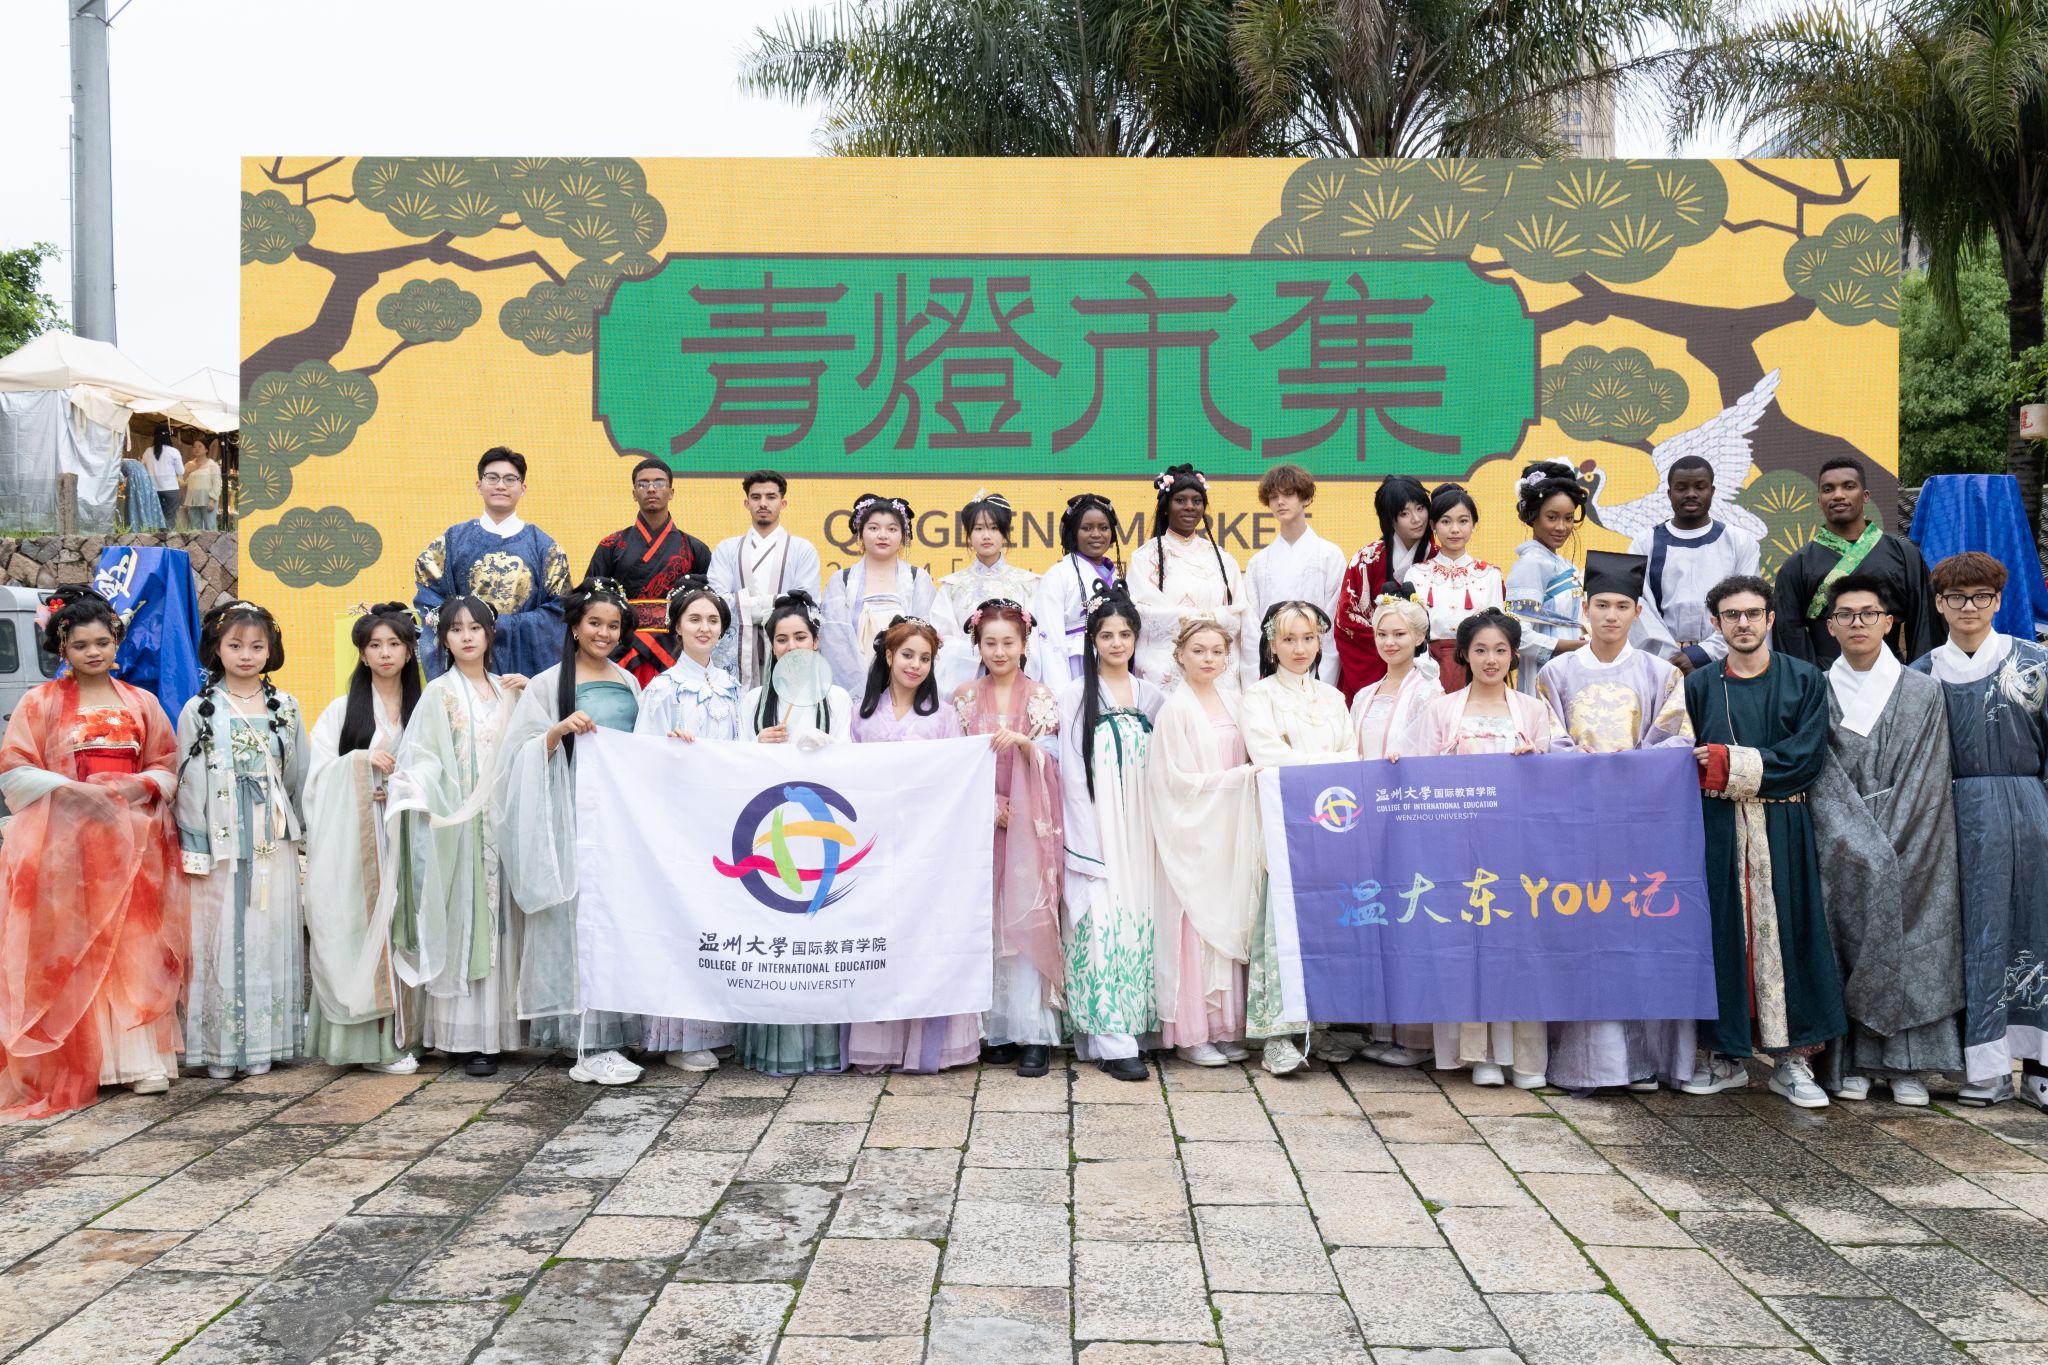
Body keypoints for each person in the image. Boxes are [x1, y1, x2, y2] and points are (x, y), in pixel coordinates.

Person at [0, 592, 183, 1116]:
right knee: (74, 945)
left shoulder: (142, 702)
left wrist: (136, 787)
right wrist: (72, 790)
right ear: (63, 647)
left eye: (102, 641)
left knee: (134, 942)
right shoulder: (38, 703)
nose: (94, 652)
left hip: (134, 838)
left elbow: (166, 763)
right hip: (65, 840)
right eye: (81, 645)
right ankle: (87, 1063)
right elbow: (15, 769)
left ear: (117, 642)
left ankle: (141, 1060)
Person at [1678, 575, 1846, 1109]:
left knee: (1792, 933)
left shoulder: (1805, 679)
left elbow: (1805, 759)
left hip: (1784, 824)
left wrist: (1725, 761)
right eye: (1731, 615)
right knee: (1723, 935)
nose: (1743, 623)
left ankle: (1793, 1061)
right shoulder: (1699, 686)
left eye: (1753, 613)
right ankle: (1724, 1055)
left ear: (1771, 618)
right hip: (1719, 828)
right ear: (1716, 623)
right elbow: (1680, 753)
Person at [1535, 552, 1696, 1093]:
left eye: (1621, 606)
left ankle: (1646, 1060)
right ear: (1584, 608)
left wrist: (1633, 767)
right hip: (1575, 823)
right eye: (1601, 604)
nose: (1610, 615)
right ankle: (1583, 1064)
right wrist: (1575, 764)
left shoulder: (1661, 673)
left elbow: (1677, 740)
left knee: (1639, 933)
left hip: (1640, 823)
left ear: (1636, 612)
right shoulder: (1555, 674)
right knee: (1582, 932)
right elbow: (1547, 738)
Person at [1808, 573, 1963, 1106]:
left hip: (1913, 838)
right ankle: (1849, 1063)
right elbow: (1818, 773)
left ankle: (1907, 1066)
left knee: (1914, 937)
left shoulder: (1924, 691)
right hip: (1838, 841)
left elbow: (1929, 775)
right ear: (1831, 626)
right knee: (1842, 939)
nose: (1858, 623)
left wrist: (1891, 843)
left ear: (1889, 622)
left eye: (1869, 613)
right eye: (1846, 614)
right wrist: (1857, 840)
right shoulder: (1814, 689)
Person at [497, 581, 650, 1086]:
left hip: (618, 819)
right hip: (571, 814)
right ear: (575, 626)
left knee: (614, 919)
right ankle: (586, 1040)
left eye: (613, 625)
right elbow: (516, 755)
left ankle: (613, 1031)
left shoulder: (629, 682)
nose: (604, 633)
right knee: (577, 920)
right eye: (594, 623)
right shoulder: (548, 684)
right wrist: (557, 731)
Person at [1396, 609, 1556, 1086]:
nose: (1491, 659)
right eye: (1481, 650)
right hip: (1459, 847)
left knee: (1519, 946)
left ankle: (1525, 1057)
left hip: (1519, 847)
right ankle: (1480, 1054)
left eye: (1500, 650)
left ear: (1513, 655)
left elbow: (1556, 780)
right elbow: (1417, 774)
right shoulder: (1443, 711)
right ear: (1463, 654)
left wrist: (1538, 760)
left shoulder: (1533, 710)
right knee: (1469, 947)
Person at [1914, 553, 2048, 1109]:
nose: (1969, 607)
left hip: (2030, 807)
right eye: (1956, 597)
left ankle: (2040, 1068)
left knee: (2037, 927)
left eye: (1981, 597)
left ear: (1998, 601)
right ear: (1939, 603)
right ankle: (1985, 1068)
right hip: (1952, 814)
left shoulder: (2034, 662)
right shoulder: (1922, 673)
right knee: (1973, 935)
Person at [386, 596, 527, 1078]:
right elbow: (424, 754)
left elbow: (528, 748)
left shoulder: (508, 690)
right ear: (443, 638)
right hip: (459, 823)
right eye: (456, 629)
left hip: (501, 822)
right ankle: (464, 1037)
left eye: (475, 628)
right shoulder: (439, 693)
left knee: (500, 920)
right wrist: (417, 785)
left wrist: (531, 697)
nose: (467, 637)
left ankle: (498, 1032)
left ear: (490, 634)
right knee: (463, 915)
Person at [175, 602, 308, 1079]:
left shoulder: (286, 707)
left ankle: (266, 1043)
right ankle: (221, 1047)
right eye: (235, 645)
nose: (246, 655)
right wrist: (196, 842)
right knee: (221, 932)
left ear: (271, 650)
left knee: (267, 931)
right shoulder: (199, 709)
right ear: (216, 649)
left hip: (271, 834)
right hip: (221, 838)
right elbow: (188, 782)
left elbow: (297, 774)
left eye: (256, 646)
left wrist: (297, 827)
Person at [848, 617, 979, 1072]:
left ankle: (929, 1043)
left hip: (927, 841)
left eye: (925, 658)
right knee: (879, 932)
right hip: (874, 839)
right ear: (888, 655)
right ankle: (879, 1044)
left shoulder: (943, 717)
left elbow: (958, 778)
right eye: (907, 655)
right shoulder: (860, 713)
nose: (915, 665)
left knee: (922, 935)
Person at [304, 603, 424, 1074]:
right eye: (375, 645)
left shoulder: (423, 708)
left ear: (410, 650)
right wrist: (360, 764)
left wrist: (403, 786)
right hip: (356, 839)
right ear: (362, 653)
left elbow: (441, 767)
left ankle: (408, 1036)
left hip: (409, 834)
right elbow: (316, 778)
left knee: (406, 928)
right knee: (358, 928)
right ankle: (370, 1046)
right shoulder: (342, 711)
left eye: (394, 643)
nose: (385, 653)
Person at [1240, 601, 1360, 1074]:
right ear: (1272, 645)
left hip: (1332, 825)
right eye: (1288, 639)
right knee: (1281, 926)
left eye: (1308, 638)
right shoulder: (1258, 696)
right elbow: (1268, 756)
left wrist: (1308, 761)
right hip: (1284, 824)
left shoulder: (1333, 697)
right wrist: (1322, 764)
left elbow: (1352, 755)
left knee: (1326, 923)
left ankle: (1321, 1025)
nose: (1299, 648)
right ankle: (1277, 1034)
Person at [736, 590, 851, 1076]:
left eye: (800, 637)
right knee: (774, 930)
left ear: (816, 641)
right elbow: (731, 768)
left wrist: (828, 749)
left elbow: (851, 765)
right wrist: (756, 746)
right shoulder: (753, 702)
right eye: (781, 640)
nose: (790, 646)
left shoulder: (837, 699)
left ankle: (823, 1044)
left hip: (819, 827)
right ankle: (774, 1045)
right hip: (770, 829)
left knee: (818, 928)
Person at [633, 579, 744, 1071]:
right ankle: (679, 1037)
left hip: (722, 819)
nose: (704, 628)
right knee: (682, 921)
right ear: (676, 626)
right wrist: (668, 751)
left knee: (719, 920)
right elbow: (642, 757)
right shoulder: (662, 688)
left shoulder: (733, 687)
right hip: (678, 821)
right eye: (695, 618)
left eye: (713, 620)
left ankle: (717, 1028)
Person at [951, 600, 1065, 1077]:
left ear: (1024, 645)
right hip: (980, 824)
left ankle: (1034, 1031)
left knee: (1027, 915)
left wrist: (1026, 745)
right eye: (990, 643)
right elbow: (954, 765)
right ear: (977, 645)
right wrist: (988, 804)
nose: (999, 652)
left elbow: (1056, 761)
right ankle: (995, 1030)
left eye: (1008, 643)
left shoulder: (1041, 698)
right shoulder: (963, 698)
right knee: (987, 920)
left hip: (1028, 820)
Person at [1058, 588, 1166, 1081]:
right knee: (1101, 926)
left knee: (1139, 923)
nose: (1117, 643)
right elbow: (1071, 775)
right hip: (1098, 829)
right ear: (1093, 640)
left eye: (1125, 634)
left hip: (1142, 831)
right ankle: (1110, 1038)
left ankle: (1139, 1028)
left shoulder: (1153, 697)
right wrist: (1085, 841)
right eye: (1107, 635)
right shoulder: (1076, 696)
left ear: (1137, 638)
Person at [1151, 617, 1259, 1069]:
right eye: (1198, 650)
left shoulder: (1235, 700)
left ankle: (1226, 1028)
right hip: (1194, 830)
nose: (1208, 659)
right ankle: (1192, 1032)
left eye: (1217, 651)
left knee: (1229, 916)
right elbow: (1171, 781)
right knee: (1195, 923)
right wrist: (1236, 779)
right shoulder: (1174, 709)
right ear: (1180, 655)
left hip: (1230, 826)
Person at [1347, 587, 1442, 1069]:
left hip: (1406, 814)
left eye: (1400, 634)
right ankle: (1383, 1030)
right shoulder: (1364, 694)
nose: (1389, 642)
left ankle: (1416, 1038)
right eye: (1382, 633)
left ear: (1419, 637)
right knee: (1377, 916)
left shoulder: (1430, 691)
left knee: (1409, 915)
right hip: (1367, 814)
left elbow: (1431, 750)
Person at [415, 447, 572, 679]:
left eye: (510, 479)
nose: (500, 485)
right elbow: (430, 596)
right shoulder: (452, 541)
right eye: (492, 478)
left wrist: (501, 624)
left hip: (523, 670)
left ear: (523, 488)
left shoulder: (546, 548)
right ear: (479, 485)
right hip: (465, 665)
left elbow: (560, 610)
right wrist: (466, 626)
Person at [1773, 455, 1942, 667]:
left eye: (1849, 486)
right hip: (1825, 677)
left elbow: (1925, 624)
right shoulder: (1796, 566)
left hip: (1891, 676)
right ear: (1819, 500)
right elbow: (1788, 633)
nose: (1838, 495)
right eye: (1828, 489)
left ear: (1865, 496)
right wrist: (1812, 681)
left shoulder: (1905, 555)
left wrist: (1915, 678)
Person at [1627, 455, 1760, 673]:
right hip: (1662, 665)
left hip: (1726, 661)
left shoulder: (1740, 542)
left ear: (1712, 491)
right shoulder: (1644, 544)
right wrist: (1671, 658)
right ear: (1669, 493)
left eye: (1700, 487)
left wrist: (1703, 654)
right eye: (1681, 488)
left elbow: (1748, 605)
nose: (1691, 494)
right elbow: (1638, 607)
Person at [587, 458, 713, 685]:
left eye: (659, 483)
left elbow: (708, 603)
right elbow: (591, 596)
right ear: (634, 493)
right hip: (622, 648)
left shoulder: (695, 548)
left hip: (677, 649)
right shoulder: (611, 545)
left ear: (671, 492)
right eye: (643, 484)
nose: (651, 489)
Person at [1129, 464, 1244, 688]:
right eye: (1180, 500)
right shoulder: (1145, 558)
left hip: (1216, 668)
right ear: (1166, 507)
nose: (1189, 506)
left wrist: (1205, 625)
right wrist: (1203, 620)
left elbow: (1238, 610)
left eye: (1196, 501)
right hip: (1168, 670)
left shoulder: (1223, 559)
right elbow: (1142, 612)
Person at [707, 470, 824, 691]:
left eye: (771, 497)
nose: (763, 503)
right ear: (746, 503)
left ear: (783, 503)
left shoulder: (802, 549)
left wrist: (745, 605)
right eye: (756, 497)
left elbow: (805, 603)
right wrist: (778, 602)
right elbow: (717, 602)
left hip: (786, 645)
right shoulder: (726, 548)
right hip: (738, 649)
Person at [1239, 466, 1345, 688]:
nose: (1280, 502)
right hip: (1270, 671)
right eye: (1273, 497)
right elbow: (1251, 629)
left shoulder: (1329, 555)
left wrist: (1321, 681)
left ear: (1306, 498)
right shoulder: (1258, 563)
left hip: (1316, 669)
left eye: (1288, 494)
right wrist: (1258, 681)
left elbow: (1334, 623)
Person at [822, 494, 936, 694]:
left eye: (892, 529)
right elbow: (835, 641)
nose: (883, 535)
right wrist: (861, 689)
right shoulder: (841, 580)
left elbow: (925, 638)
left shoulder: (918, 579)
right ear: (860, 533)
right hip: (852, 686)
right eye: (873, 528)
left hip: (907, 684)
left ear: (903, 535)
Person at [1334, 476, 1435, 700]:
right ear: (1389, 518)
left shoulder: (1438, 559)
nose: (1416, 519)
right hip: (1374, 663)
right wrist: (1393, 641)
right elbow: (1347, 620)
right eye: (1404, 513)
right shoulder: (1366, 560)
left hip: (1430, 668)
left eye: (1420, 508)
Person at [933, 493, 1040, 697]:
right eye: (978, 528)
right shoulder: (951, 586)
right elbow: (941, 641)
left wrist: (1005, 651)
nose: (986, 536)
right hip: (967, 686)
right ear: (968, 534)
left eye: (994, 528)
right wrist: (982, 652)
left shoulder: (1028, 584)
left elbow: (1037, 640)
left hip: (1017, 682)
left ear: (1005, 533)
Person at [1405, 484, 1504, 691]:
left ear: (1474, 524)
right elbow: (1410, 630)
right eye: (1446, 521)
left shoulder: (1490, 574)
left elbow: (1496, 630)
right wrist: (1426, 672)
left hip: (1476, 667)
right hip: (1425, 668)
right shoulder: (1416, 573)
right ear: (1433, 525)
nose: (1455, 529)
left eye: (1463, 521)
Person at [1504, 460, 1589, 690]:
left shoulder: (1561, 564)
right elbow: (1518, 635)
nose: (1562, 527)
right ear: (1532, 516)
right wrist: (1574, 647)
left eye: (1568, 518)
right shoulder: (1531, 563)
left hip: (1572, 672)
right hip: (1544, 679)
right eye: (1552, 517)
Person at [1030, 493, 1123, 685]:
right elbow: (1049, 640)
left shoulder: (1114, 575)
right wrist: (1060, 692)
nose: (1096, 534)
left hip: (1112, 665)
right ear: (1073, 532)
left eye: (1103, 528)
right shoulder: (1057, 575)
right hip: (1075, 669)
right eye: (1086, 528)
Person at [149, 424, 185, 528]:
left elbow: (143, 469)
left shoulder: (148, 452)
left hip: (154, 489)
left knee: (156, 518)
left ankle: (156, 536)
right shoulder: (174, 452)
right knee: (170, 519)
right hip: (171, 489)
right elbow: (181, 471)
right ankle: (168, 536)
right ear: (168, 436)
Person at [183, 438, 224, 530]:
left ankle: (213, 540)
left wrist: (212, 500)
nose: (196, 449)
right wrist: (188, 471)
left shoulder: (213, 465)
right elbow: (181, 481)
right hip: (192, 500)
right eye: (194, 447)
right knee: (194, 529)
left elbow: (217, 484)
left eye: (200, 446)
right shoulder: (189, 464)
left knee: (210, 527)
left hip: (207, 500)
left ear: (206, 450)